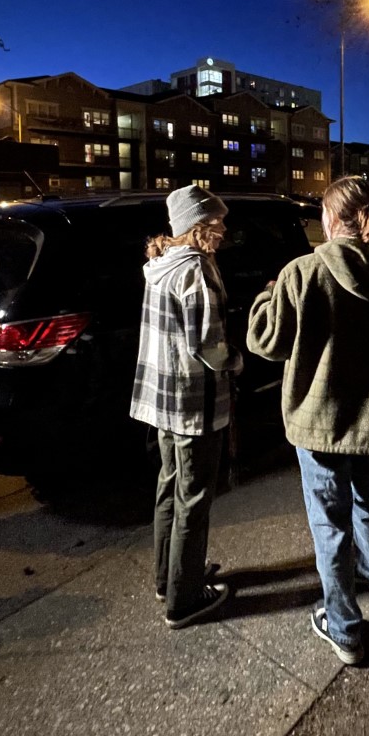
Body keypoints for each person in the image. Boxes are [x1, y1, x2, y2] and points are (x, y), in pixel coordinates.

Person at [246, 176, 369, 665]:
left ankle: (344, 627)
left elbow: (265, 343)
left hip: (320, 423)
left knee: (330, 522)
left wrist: (268, 297)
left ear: (329, 218)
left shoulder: (301, 273)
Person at [130, 185, 242, 629]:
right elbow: (208, 346)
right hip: (193, 402)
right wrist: (237, 360)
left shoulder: (159, 266)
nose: (223, 230)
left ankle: (169, 577)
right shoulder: (195, 272)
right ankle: (184, 598)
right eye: (217, 223)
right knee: (194, 499)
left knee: (169, 488)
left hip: (162, 400)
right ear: (199, 227)